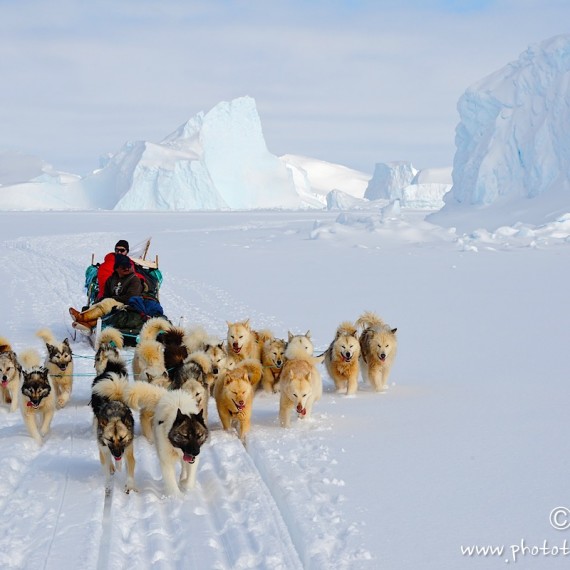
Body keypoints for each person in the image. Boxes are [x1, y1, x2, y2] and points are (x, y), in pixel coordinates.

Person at [70, 254, 144, 332]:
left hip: (128, 307)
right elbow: (106, 295)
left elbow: (131, 297)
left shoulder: (134, 280)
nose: (127, 268)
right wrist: (99, 302)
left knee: (108, 302)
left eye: (128, 266)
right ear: (117, 268)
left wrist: (113, 299)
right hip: (113, 305)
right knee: (101, 303)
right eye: (123, 266)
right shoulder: (111, 280)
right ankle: (88, 324)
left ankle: (82, 317)